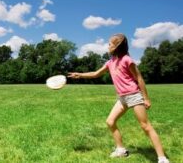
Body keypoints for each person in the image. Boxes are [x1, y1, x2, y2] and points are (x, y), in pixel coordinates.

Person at [68, 33, 170, 163]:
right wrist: (80, 75)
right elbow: (95, 74)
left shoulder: (127, 60)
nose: (108, 46)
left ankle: (162, 158)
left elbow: (139, 78)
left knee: (145, 126)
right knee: (110, 122)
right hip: (122, 98)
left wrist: (146, 98)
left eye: (110, 44)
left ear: (116, 46)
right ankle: (121, 150)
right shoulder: (110, 62)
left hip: (133, 95)